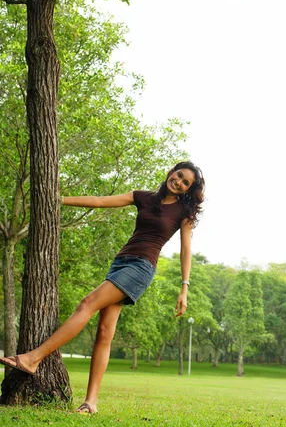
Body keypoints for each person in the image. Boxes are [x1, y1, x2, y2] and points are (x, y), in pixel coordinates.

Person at [0, 161, 205, 414]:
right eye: (180, 175)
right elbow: (99, 201)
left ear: (188, 189)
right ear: (171, 172)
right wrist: (59, 199)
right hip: (120, 263)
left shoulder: (184, 212)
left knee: (87, 303)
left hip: (141, 268)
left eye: (186, 183)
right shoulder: (143, 197)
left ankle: (33, 359)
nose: (180, 182)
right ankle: (91, 402)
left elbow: (186, 250)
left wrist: (184, 288)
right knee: (105, 332)